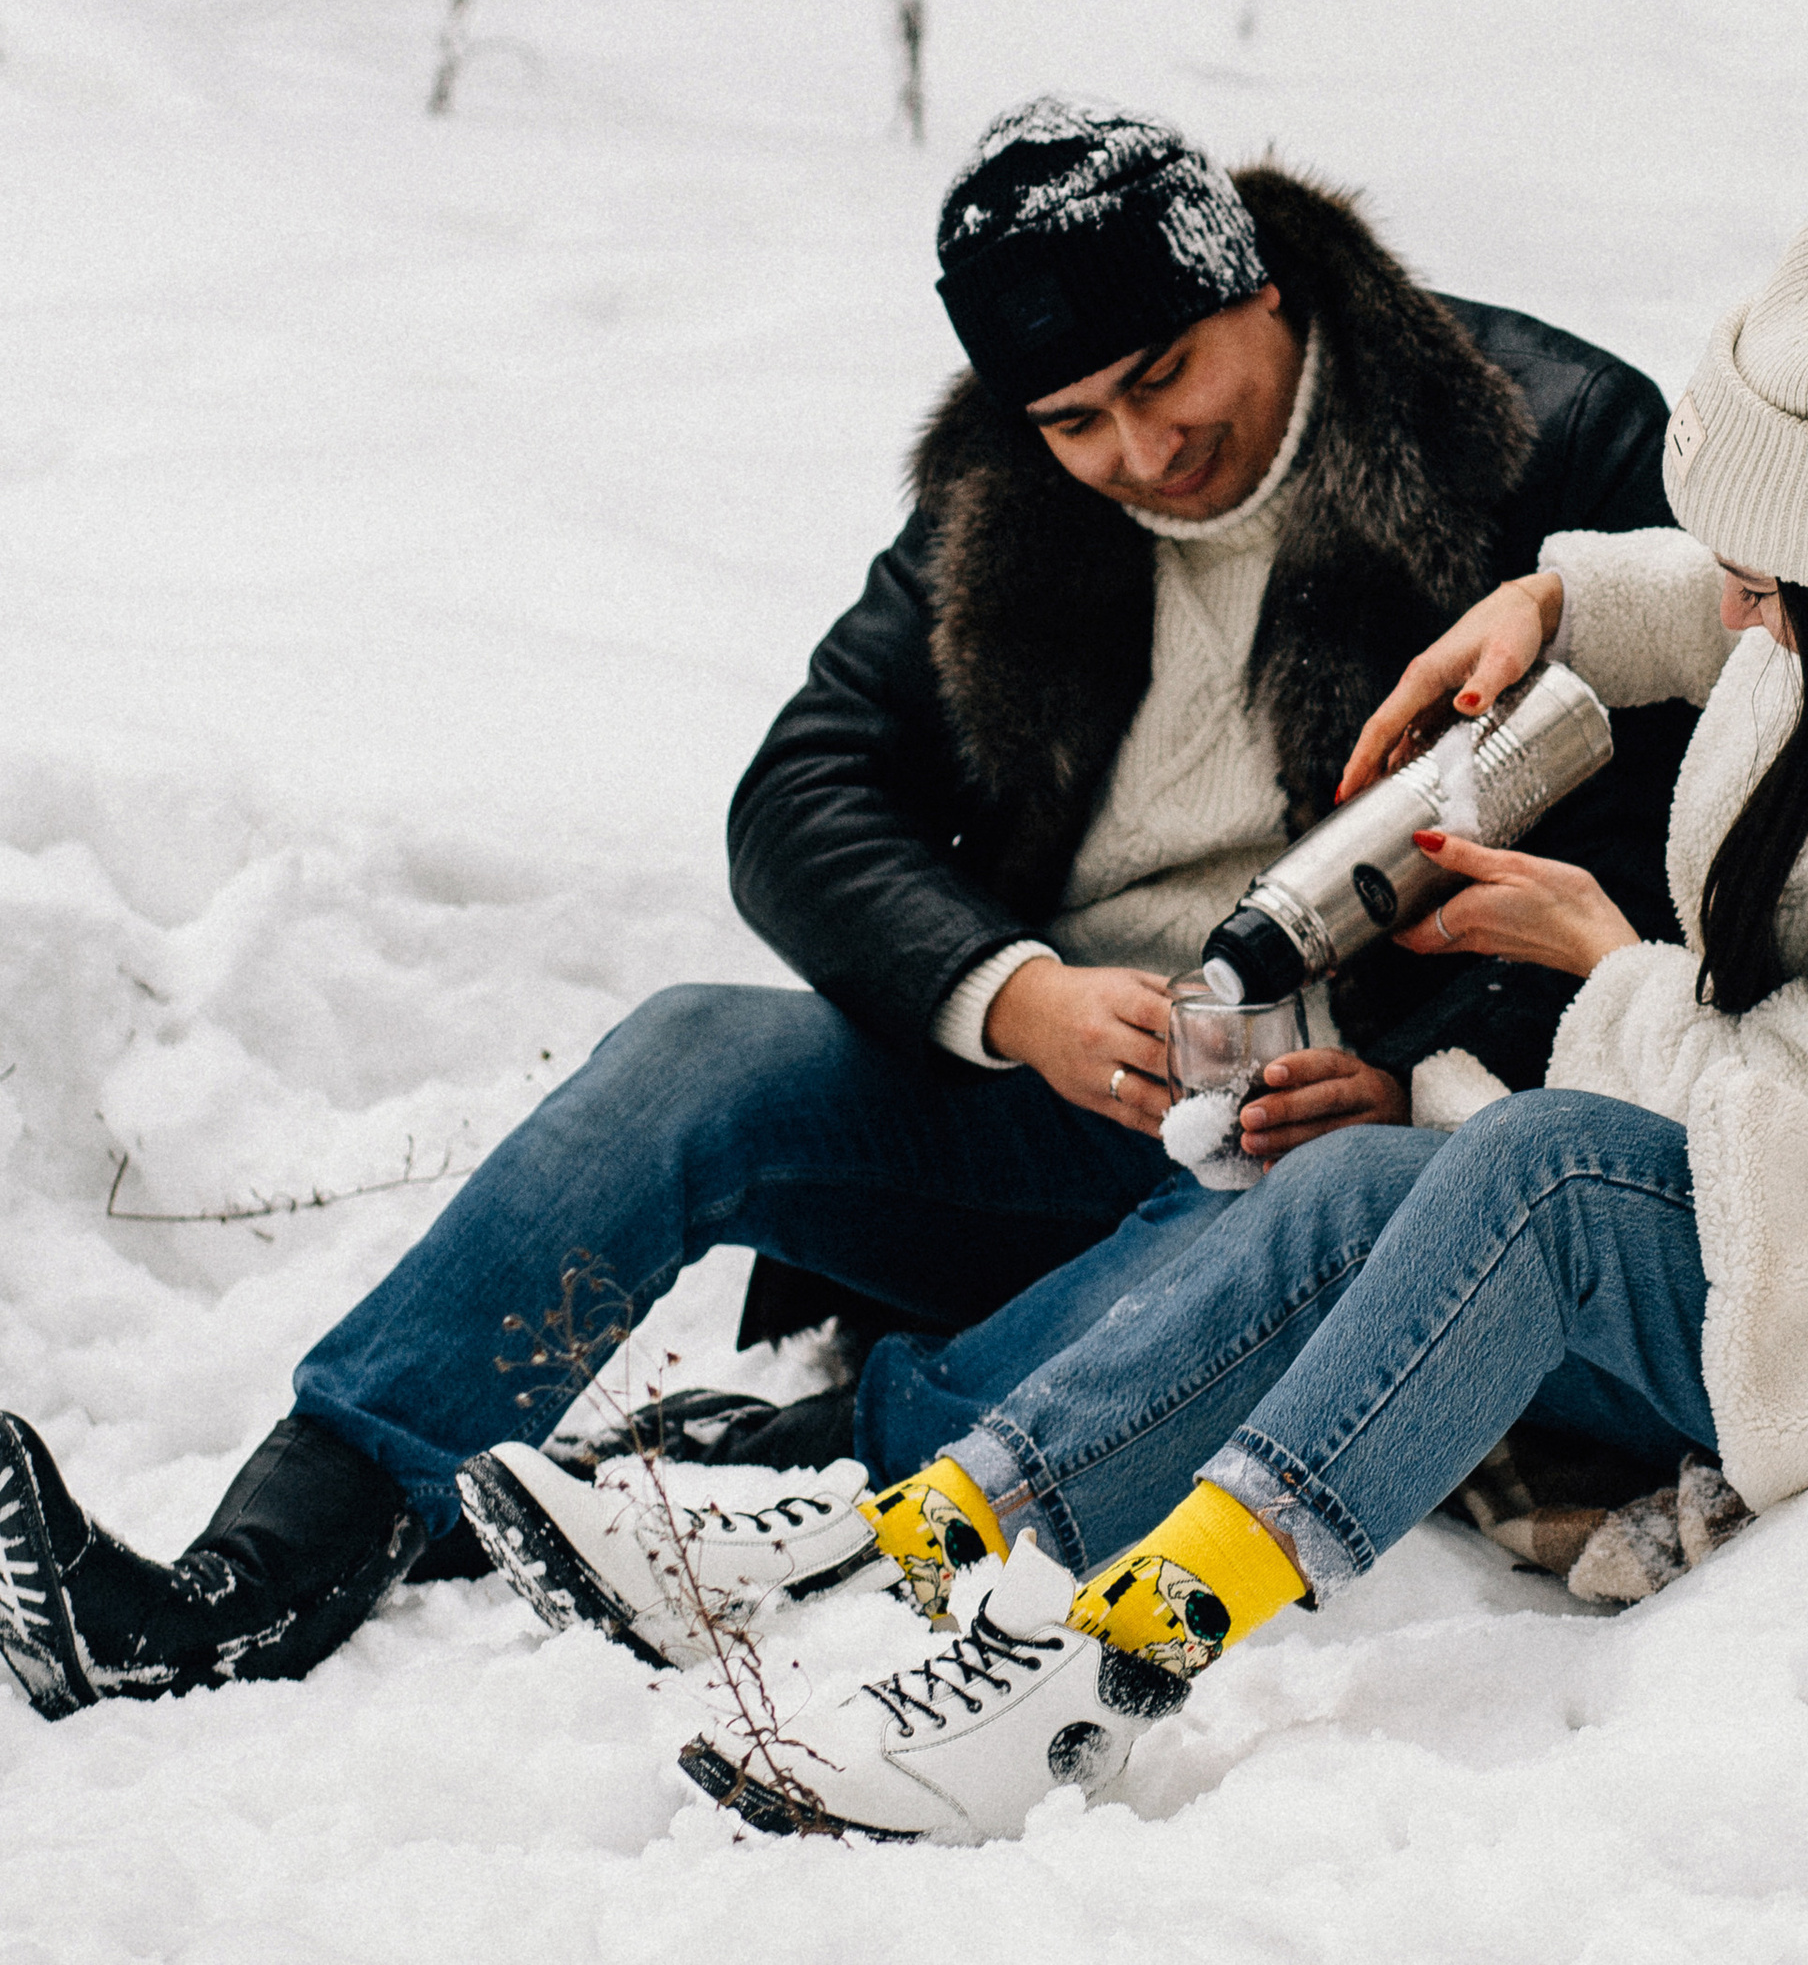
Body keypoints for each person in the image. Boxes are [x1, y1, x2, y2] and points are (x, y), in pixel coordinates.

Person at [569, 200, 1808, 1848]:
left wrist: (1601, 958)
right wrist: (1568, 602)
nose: (1732, 613)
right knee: (1350, 1184)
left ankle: (1108, 1673)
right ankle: (923, 1531)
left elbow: (1788, 1116)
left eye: (1759, 587)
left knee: (1539, 1174)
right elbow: (1782, 606)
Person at [0, 100, 1693, 1718]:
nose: (1138, 451)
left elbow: (1681, 861)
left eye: (1165, 375)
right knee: (689, 1054)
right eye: (1074, 421)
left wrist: (1420, 1086)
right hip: (1058, 1094)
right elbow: (801, 793)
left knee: (1277, 1211)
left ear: (1257, 285)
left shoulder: (1540, 444)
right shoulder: (1011, 491)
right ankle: (284, 1553)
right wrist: (1014, 997)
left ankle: (794, 1495)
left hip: (1346, 1139)